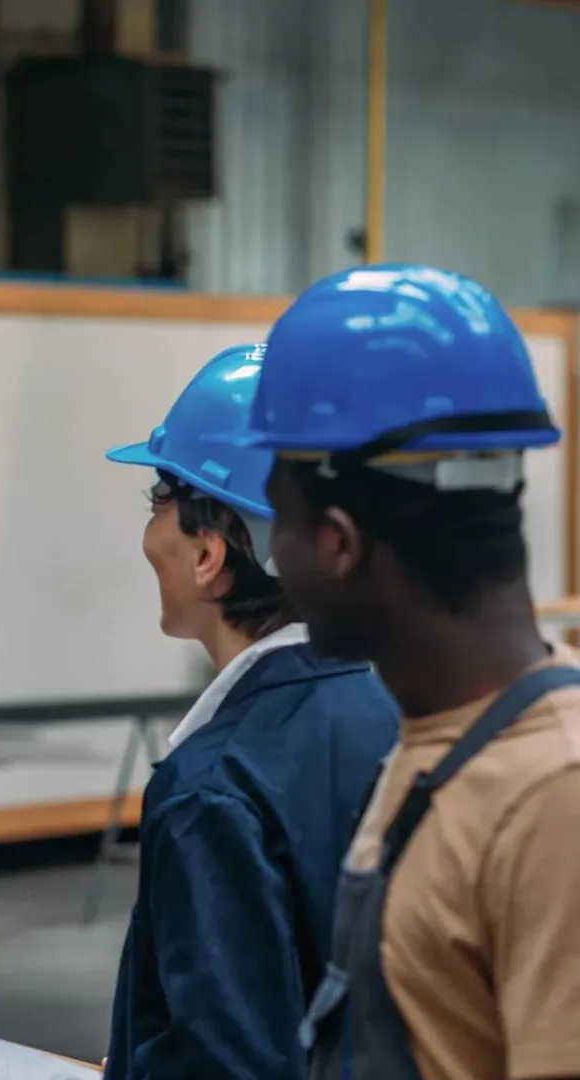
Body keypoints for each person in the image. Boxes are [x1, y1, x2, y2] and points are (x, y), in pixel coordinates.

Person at [222, 264, 580, 1080]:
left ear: (339, 545)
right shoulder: (435, 740)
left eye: (282, 525)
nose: (274, 559)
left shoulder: (554, 795)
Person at [98, 344, 399, 1080]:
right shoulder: (395, 719)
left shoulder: (212, 787)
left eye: (160, 498)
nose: (149, 531)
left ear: (208, 553)